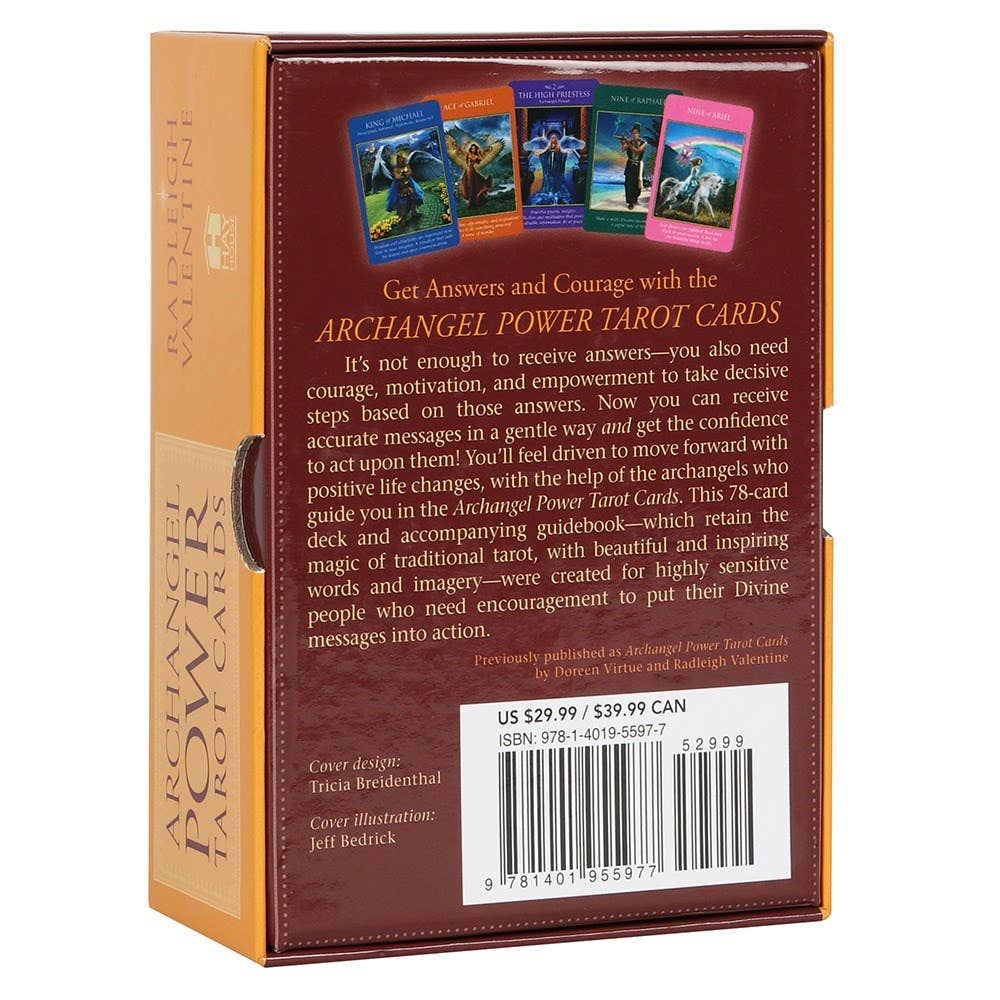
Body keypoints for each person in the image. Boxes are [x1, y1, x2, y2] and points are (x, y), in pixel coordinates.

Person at [386, 152, 424, 224]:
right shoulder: (396, 168)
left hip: (409, 184)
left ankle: (414, 212)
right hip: (400, 186)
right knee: (403, 201)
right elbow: (397, 176)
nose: (400, 160)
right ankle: (403, 218)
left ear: (403, 159)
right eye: (399, 159)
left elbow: (410, 172)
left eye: (401, 159)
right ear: (397, 160)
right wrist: (402, 175)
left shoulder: (407, 166)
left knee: (412, 198)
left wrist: (407, 174)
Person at [618, 123, 648, 209]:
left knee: (637, 184)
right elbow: (623, 149)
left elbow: (637, 151)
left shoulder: (644, 143)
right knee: (629, 184)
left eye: (636, 133)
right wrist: (622, 142)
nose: (634, 134)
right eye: (633, 133)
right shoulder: (629, 142)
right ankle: (630, 202)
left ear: (639, 134)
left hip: (638, 166)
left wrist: (627, 142)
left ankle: (635, 199)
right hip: (630, 165)